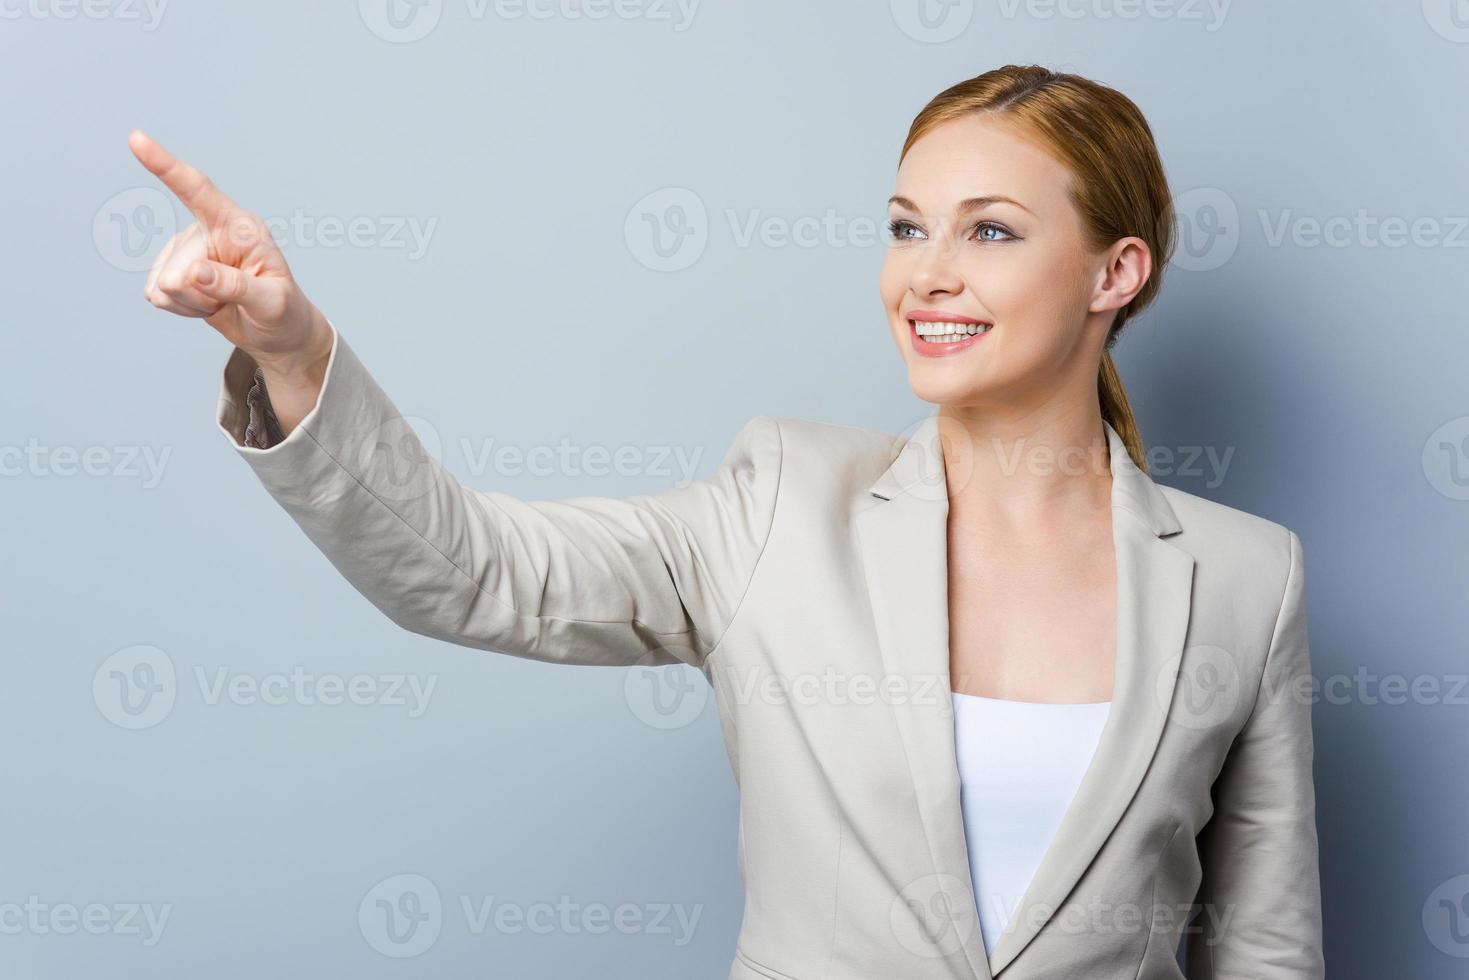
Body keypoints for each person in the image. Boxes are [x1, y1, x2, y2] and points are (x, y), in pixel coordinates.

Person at [132, 64, 1324, 980]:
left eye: (990, 230)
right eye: (907, 226)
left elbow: (1265, 950)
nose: (925, 273)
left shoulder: (1242, 577)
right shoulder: (777, 502)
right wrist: (293, 351)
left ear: (1114, 273)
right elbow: (475, 573)